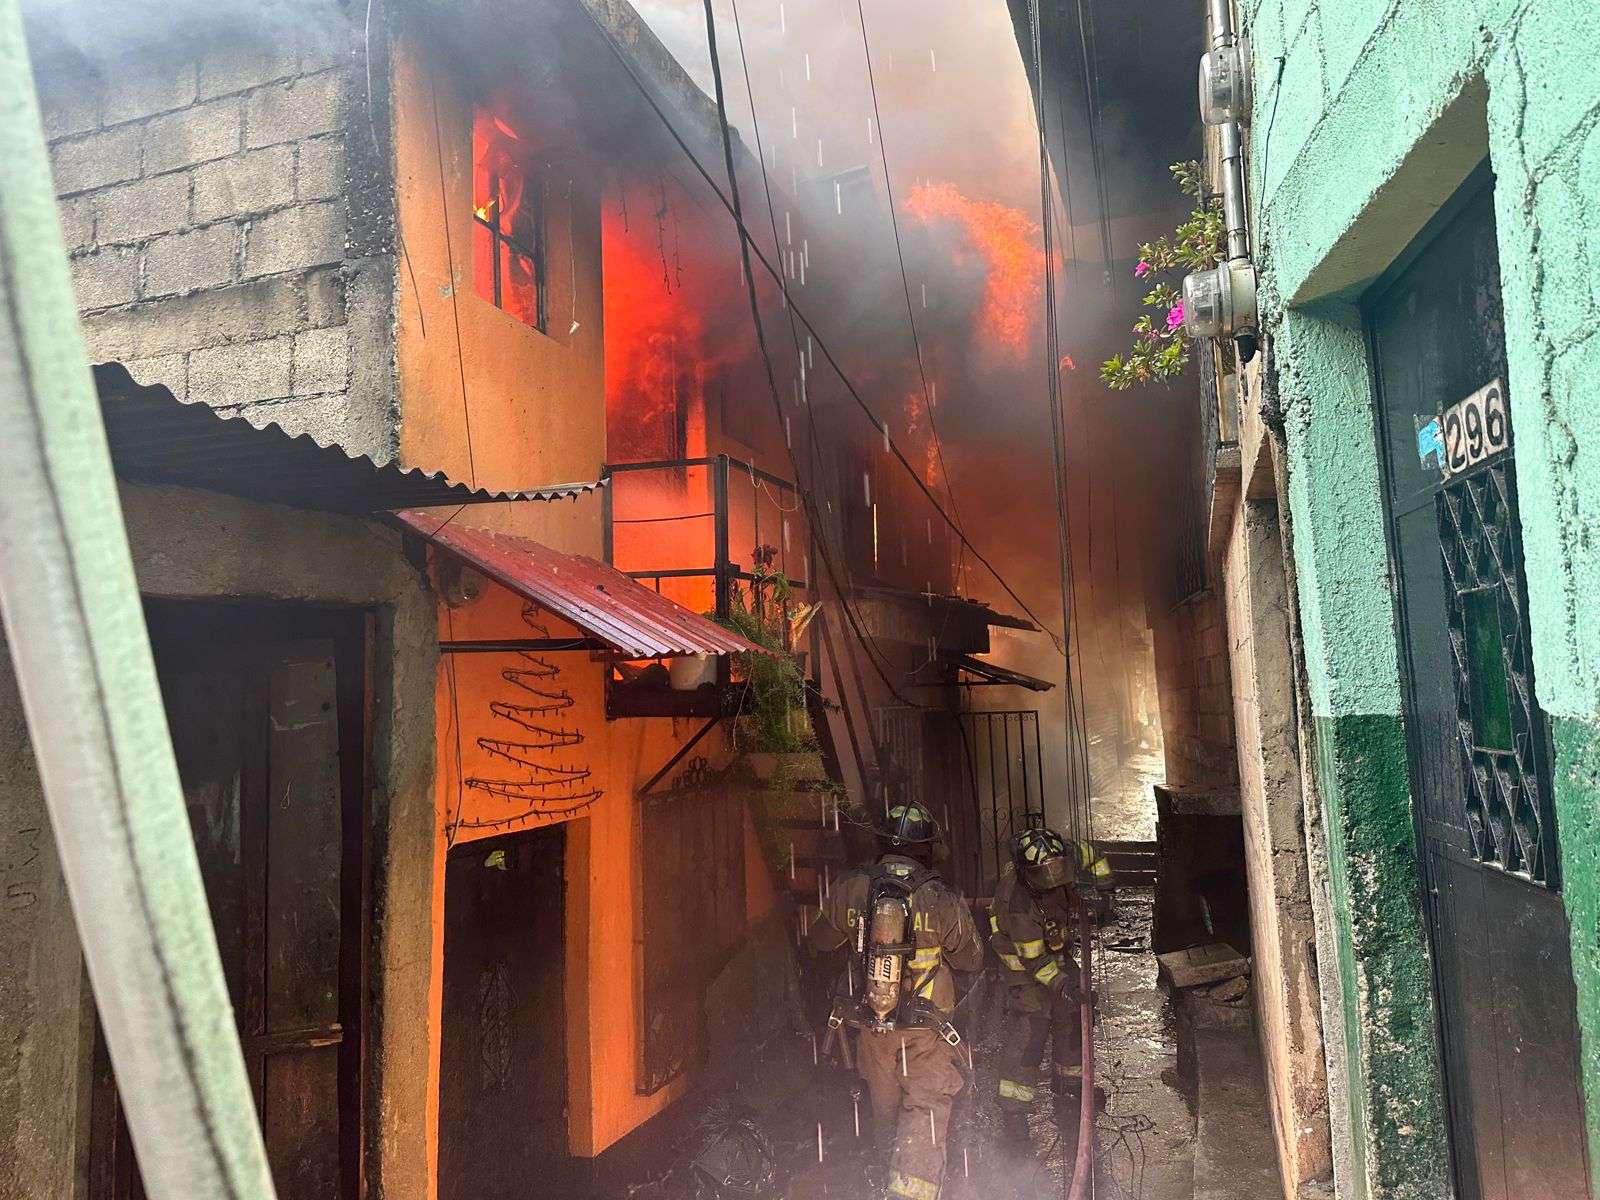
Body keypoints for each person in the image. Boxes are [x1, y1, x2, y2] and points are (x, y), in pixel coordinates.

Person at [809, 801, 984, 1200]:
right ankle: (908, 1192)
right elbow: (972, 958)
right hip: (928, 1034)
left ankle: (879, 1176)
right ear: (926, 848)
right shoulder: (941, 898)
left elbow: (818, 942)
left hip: (872, 1029)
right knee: (923, 1115)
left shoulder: (852, 887)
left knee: (883, 1112)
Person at [988, 824, 1112, 1135]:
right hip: (1024, 970)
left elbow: (1094, 855)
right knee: (1032, 1030)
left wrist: (1106, 889)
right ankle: (1014, 1112)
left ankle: (1069, 1085)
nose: (1055, 879)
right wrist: (1062, 985)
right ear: (1029, 873)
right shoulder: (1018, 902)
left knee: (1072, 1016)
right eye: (1048, 874)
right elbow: (1035, 961)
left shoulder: (1065, 854)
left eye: (1059, 870)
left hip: (1055, 955)